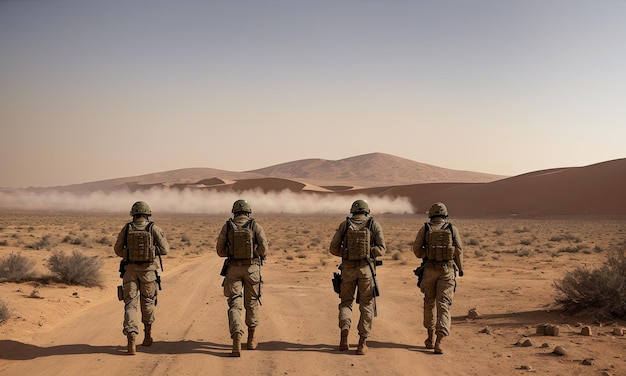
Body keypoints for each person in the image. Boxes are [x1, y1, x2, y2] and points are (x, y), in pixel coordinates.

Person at [329, 199, 386, 355]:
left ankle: (344, 333)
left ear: (352, 211)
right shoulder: (373, 224)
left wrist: (347, 255)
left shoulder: (345, 225)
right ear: (366, 211)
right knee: (367, 305)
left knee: (346, 302)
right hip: (366, 270)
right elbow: (382, 248)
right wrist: (368, 253)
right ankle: (362, 343)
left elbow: (333, 248)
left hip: (347, 270)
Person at [114, 201, 170, 355]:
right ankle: (147, 335)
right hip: (148, 272)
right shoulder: (153, 228)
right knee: (148, 302)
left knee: (130, 304)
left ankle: (131, 336)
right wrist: (151, 251)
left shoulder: (127, 229)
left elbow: (117, 250)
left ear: (133, 213)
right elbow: (165, 250)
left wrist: (130, 254)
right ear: (147, 213)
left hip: (129, 271)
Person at [216, 199, 269, 357]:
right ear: (248, 212)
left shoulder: (228, 226)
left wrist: (233, 254)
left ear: (234, 211)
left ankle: (236, 339)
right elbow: (264, 249)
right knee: (252, 303)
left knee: (234, 305)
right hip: (252, 269)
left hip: (233, 269)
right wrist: (253, 254)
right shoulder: (255, 226)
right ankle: (251, 340)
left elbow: (220, 251)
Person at [412, 202, 464, 354]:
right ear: (445, 214)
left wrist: (427, 253)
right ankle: (439, 341)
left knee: (429, 303)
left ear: (431, 215)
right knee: (444, 305)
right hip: (447, 271)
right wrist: (460, 269)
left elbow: (416, 251)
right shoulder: (452, 229)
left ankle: (429, 337)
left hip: (429, 270)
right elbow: (458, 251)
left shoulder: (426, 228)